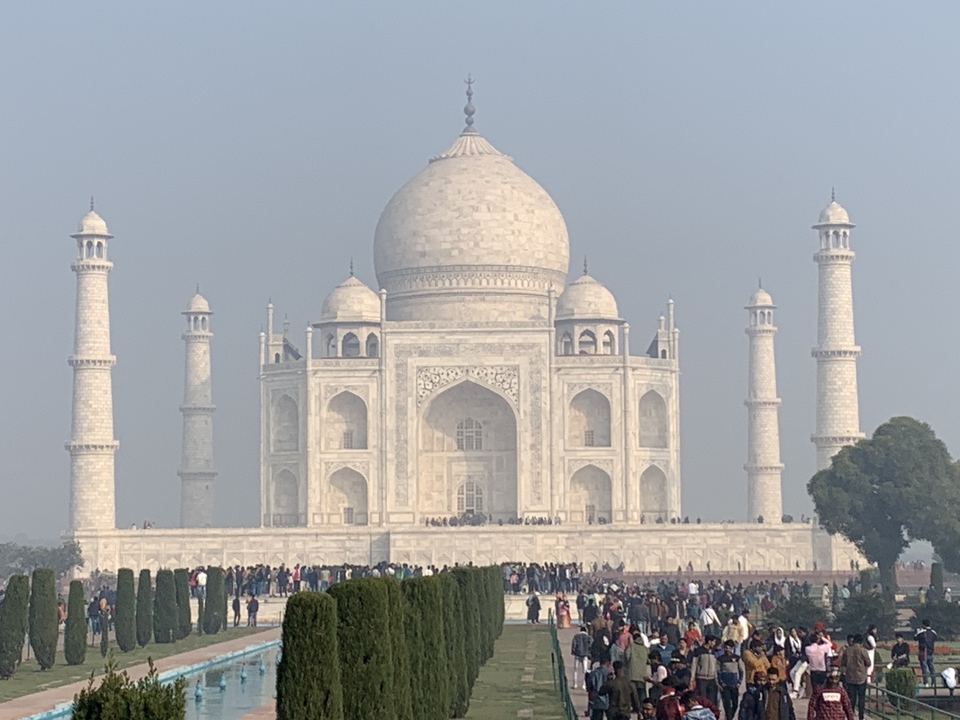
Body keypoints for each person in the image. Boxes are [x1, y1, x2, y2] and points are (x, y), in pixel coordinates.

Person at [839, 634, 869, 720]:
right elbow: (868, 663)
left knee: (851, 698)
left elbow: (843, 663)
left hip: (850, 677)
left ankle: (850, 716)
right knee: (861, 698)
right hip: (861, 677)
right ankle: (861, 716)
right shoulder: (863, 650)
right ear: (861, 641)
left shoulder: (847, 650)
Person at [717, 639, 745, 720]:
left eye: (729, 648)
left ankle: (730, 716)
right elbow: (718, 672)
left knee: (735, 704)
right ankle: (729, 717)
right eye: (726, 648)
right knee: (727, 704)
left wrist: (739, 682)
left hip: (734, 684)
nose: (727, 650)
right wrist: (721, 682)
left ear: (732, 648)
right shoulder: (720, 659)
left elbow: (741, 671)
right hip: (725, 685)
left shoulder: (737, 658)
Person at [691, 635, 720, 707]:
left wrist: (716, 679)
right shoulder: (699, 651)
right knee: (702, 698)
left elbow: (715, 666)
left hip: (712, 679)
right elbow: (694, 664)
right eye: (713, 642)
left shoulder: (713, 652)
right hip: (701, 678)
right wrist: (692, 678)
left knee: (712, 700)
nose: (714, 643)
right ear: (709, 641)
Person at [625, 630, 650, 703]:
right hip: (642, 674)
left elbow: (627, 656)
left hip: (632, 674)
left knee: (632, 692)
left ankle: (634, 706)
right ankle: (643, 705)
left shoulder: (631, 646)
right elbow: (648, 660)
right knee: (641, 692)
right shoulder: (645, 648)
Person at [916, 619, 938, 687]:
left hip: (923, 651)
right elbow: (935, 638)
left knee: (924, 668)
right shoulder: (933, 632)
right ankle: (934, 682)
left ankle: (926, 682)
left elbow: (915, 638)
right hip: (931, 651)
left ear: (923, 625)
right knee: (931, 667)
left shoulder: (921, 632)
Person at [571, 626, 592, 690]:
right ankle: (584, 685)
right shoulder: (588, 637)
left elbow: (574, 644)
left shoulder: (576, 636)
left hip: (577, 654)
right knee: (585, 671)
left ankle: (575, 684)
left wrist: (573, 651)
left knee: (575, 670)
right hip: (585, 655)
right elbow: (590, 645)